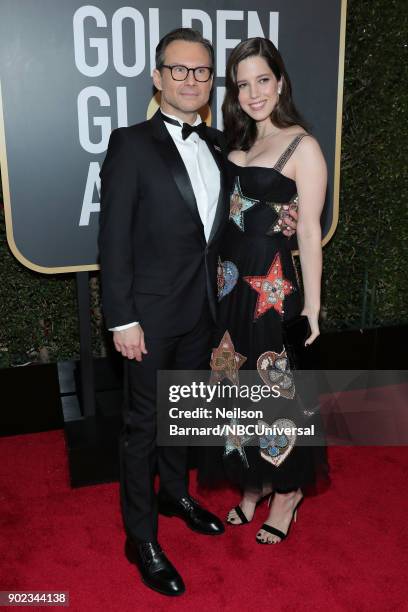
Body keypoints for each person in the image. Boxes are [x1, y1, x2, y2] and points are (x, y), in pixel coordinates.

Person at [98, 28, 299, 595]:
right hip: (148, 319)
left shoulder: (218, 144)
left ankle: (175, 493)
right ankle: (141, 537)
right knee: (143, 427)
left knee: (181, 416)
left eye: (202, 71)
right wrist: (121, 319)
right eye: (179, 70)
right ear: (158, 77)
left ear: (212, 82)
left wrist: (286, 221)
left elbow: (245, 216)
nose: (191, 80)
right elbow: (112, 242)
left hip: (206, 315)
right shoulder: (130, 144)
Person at [200, 37, 329, 544]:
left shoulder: (303, 146)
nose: (254, 93)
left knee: (275, 395)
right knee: (237, 391)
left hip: (273, 293)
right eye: (243, 83)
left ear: (280, 83)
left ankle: (287, 493)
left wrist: (313, 309)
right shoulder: (235, 146)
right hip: (230, 291)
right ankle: (253, 481)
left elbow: (311, 233)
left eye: (263, 80)